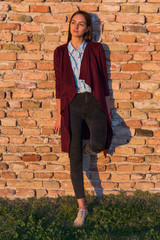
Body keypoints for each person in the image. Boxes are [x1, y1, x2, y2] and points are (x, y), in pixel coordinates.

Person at [54, 10, 113, 227]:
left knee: (98, 142)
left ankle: (89, 150)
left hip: (94, 101)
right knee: (74, 156)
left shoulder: (96, 49)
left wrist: (108, 111)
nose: (76, 26)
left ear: (88, 28)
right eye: (73, 22)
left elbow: (104, 81)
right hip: (72, 105)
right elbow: (59, 85)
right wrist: (59, 114)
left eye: (81, 24)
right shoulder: (60, 52)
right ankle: (82, 208)